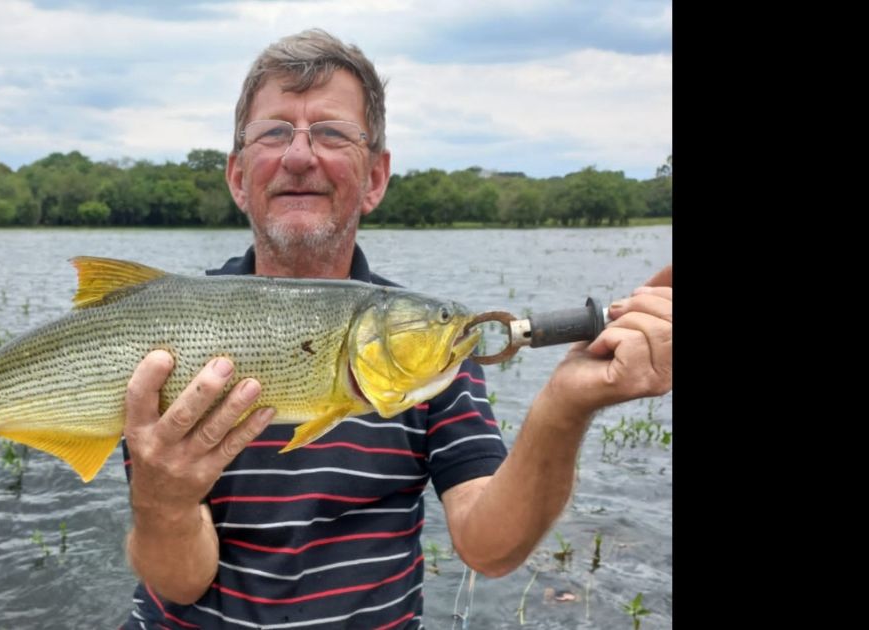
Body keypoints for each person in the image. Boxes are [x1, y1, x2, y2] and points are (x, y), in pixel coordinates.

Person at [118, 29, 672, 628]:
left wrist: (564, 406)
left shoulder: (423, 341)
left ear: (377, 177)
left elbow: (490, 547)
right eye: (275, 132)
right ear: (236, 177)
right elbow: (180, 580)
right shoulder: (174, 330)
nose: (299, 156)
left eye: (331, 133)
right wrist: (164, 500)